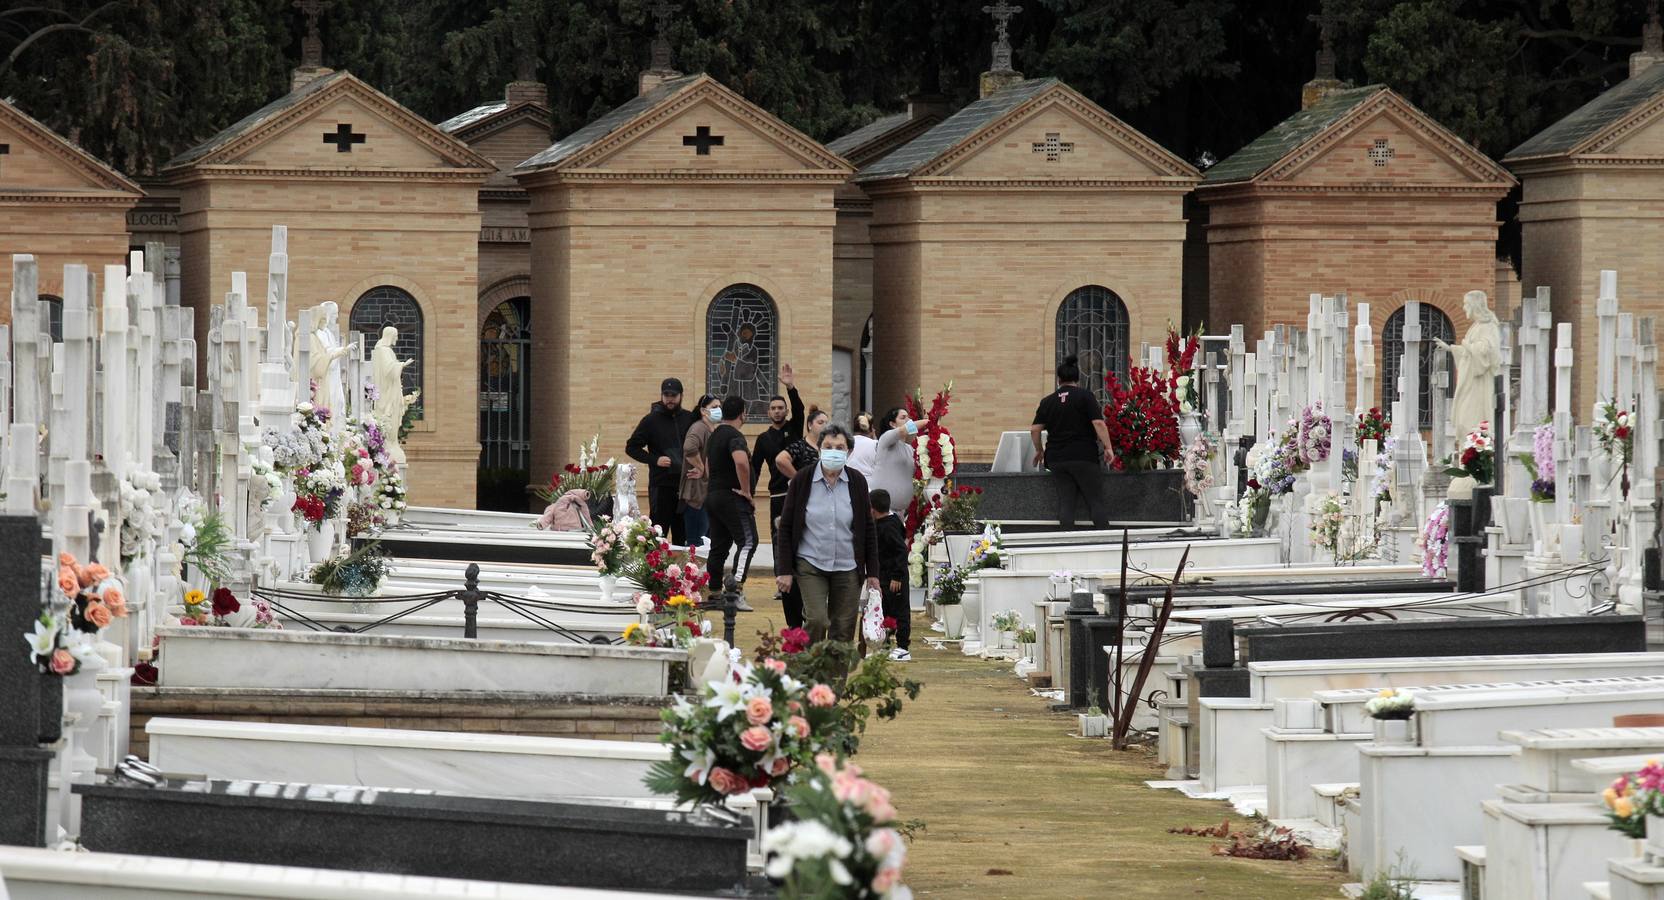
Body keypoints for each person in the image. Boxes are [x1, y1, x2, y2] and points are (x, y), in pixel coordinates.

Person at [774, 424, 880, 644]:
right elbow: (785, 528)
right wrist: (784, 569)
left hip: (848, 566)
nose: (834, 451)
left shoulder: (857, 482)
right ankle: (809, 673)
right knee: (817, 620)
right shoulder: (803, 480)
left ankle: (834, 679)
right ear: (820, 449)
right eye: (828, 446)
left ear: (849, 452)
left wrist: (873, 573)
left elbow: (868, 529)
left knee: (843, 628)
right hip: (811, 563)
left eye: (840, 447)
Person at [1030, 355, 1116, 529]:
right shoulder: (1085, 397)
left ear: (1058, 380)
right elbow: (1098, 423)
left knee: (1066, 502)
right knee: (1094, 501)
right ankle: (1107, 542)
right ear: (1077, 378)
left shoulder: (1047, 401)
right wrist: (1108, 447)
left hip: (1057, 459)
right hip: (1083, 455)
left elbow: (1035, 429)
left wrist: (1039, 450)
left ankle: (1066, 544)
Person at [770, 406, 830, 629]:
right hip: (800, 507)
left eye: (827, 422)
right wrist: (799, 479)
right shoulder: (800, 446)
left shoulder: (827, 449)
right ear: (810, 425)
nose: (824, 425)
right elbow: (780, 459)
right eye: (820, 422)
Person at [625, 378, 698, 544]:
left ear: (681, 396)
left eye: (674, 395)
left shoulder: (689, 418)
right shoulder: (651, 420)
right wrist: (655, 459)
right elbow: (631, 447)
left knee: (683, 534)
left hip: (685, 486)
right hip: (661, 486)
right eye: (666, 395)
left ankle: (681, 570)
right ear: (661, 395)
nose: (670, 399)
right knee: (658, 533)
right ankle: (654, 568)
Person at [704, 395, 758, 590]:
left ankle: (715, 590)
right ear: (743, 414)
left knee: (718, 546)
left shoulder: (714, 435)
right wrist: (746, 491)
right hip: (731, 497)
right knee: (748, 541)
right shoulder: (734, 436)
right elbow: (741, 462)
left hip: (713, 495)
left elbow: (707, 466)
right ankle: (734, 589)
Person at [750, 364, 803, 544]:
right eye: (773, 408)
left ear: (786, 411)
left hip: (798, 489)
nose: (777, 411)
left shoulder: (794, 428)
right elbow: (754, 468)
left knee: (800, 534)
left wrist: (790, 387)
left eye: (781, 408)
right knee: (778, 536)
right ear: (768, 412)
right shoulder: (763, 439)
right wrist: (749, 494)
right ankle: (779, 571)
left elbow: (799, 409)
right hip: (778, 494)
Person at [870, 488, 911, 661]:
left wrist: (897, 575)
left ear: (872, 509)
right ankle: (885, 645)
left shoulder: (889, 526)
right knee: (885, 611)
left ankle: (903, 647)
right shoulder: (884, 523)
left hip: (895, 578)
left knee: (900, 611)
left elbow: (900, 551)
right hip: (884, 576)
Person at [679, 394, 721, 549]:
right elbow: (689, 447)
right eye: (714, 407)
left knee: (706, 543)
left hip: (707, 496)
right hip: (697, 497)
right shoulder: (699, 428)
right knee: (696, 545)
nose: (718, 410)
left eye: (719, 407)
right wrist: (702, 468)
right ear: (704, 411)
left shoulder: (711, 430)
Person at [866, 408, 918, 518]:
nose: (908, 420)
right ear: (892, 424)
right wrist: (928, 422)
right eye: (903, 418)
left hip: (901, 512)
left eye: (909, 417)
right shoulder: (886, 440)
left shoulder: (909, 449)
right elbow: (903, 431)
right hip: (882, 510)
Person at [848, 411, 878, 476]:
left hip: (849, 480)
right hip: (869, 482)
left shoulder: (845, 442)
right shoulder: (875, 444)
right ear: (871, 428)